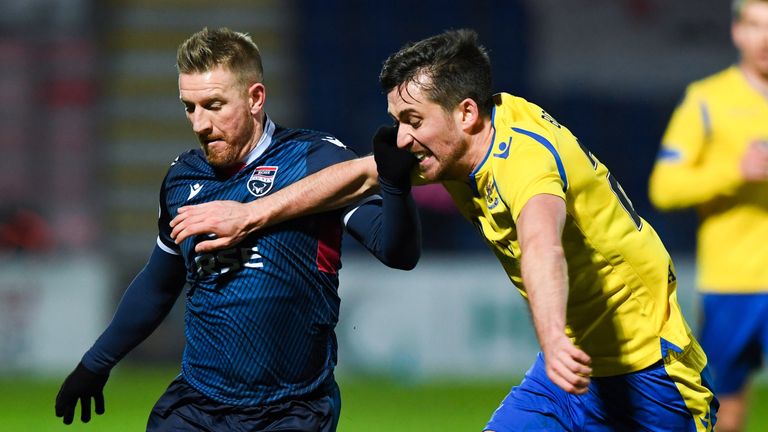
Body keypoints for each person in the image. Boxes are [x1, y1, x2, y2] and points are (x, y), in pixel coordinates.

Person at [170, 29, 719, 431]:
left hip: (648, 372)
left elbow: (541, 246)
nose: (402, 140)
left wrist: (551, 338)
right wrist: (249, 214)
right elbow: (355, 176)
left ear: (466, 113)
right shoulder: (453, 141)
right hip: (569, 369)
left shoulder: (525, 163)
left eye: (413, 121)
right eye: (397, 121)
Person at [54, 27, 421, 431]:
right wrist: (96, 362)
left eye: (214, 105)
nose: (201, 124)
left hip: (291, 410)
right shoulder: (183, 178)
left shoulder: (314, 161)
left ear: (255, 99)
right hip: (197, 406)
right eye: (190, 108)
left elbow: (396, 252)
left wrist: (395, 187)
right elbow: (159, 283)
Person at [648, 1, 768, 430]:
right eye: (755, 26)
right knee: (727, 409)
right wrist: (734, 172)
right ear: (737, 32)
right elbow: (664, 187)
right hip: (731, 284)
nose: (765, 39)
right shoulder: (707, 100)